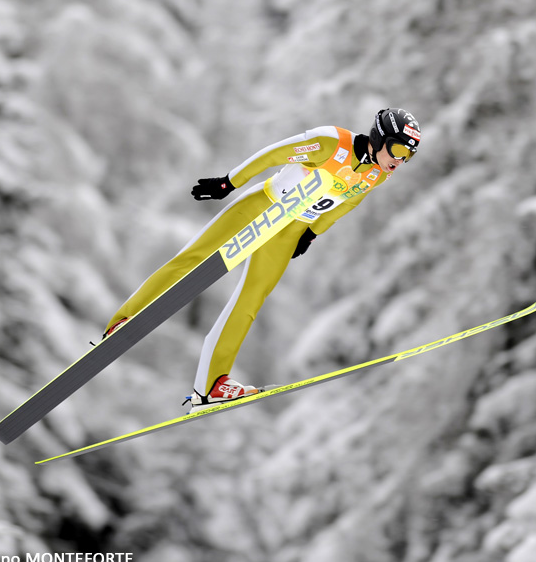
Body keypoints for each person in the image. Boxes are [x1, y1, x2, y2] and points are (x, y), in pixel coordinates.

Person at [103, 108, 422, 411]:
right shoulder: (332, 143)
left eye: (407, 156)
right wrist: (229, 182)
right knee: (194, 257)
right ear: (380, 137)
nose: (399, 161)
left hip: (288, 230)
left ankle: (212, 385)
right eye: (397, 150)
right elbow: (275, 153)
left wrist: (311, 232)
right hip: (263, 205)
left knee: (251, 298)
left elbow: (347, 203)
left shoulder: (377, 175)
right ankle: (128, 317)